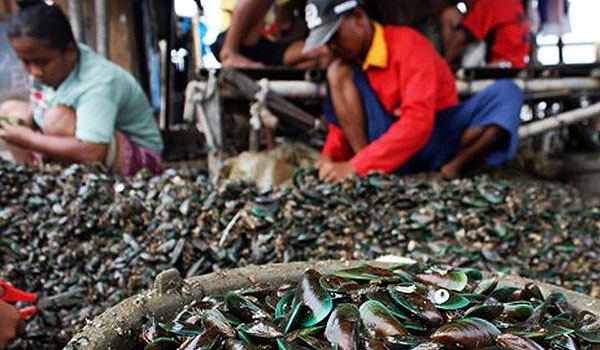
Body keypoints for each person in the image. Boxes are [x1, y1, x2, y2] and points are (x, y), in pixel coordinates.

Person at [305, 0, 523, 181]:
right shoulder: (347, 67)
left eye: (334, 36)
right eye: (326, 41)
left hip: (436, 139)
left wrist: (356, 166)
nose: (330, 46)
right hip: (382, 147)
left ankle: (453, 168)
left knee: (507, 93)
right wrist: (329, 158)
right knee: (337, 71)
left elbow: (419, 122)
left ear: (360, 19)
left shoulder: (408, 44)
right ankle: (369, 171)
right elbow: (340, 126)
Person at [0, 1, 163, 176]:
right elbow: (40, 103)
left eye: (42, 62)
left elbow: (93, 151)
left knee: (57, 119)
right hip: (95, 146)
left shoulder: (99, 81)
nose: (34, 71)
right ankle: (36, 179)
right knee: (11, 112)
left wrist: (30, 139)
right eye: (26, 62)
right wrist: (22, 123)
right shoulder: (50, 70)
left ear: (69, 51)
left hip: (141, 161)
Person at [213, 0, 331, 68]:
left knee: (325, 52)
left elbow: (282, 23)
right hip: (239, 40)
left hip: (267, 49)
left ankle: (278, 75)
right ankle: (229, 52)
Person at [444, 0, 531, 68]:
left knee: (448, 16)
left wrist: (445, 64)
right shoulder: (514, 3)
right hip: (519, 67)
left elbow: (460, 38)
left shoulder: (490, 3)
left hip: (500, 71)